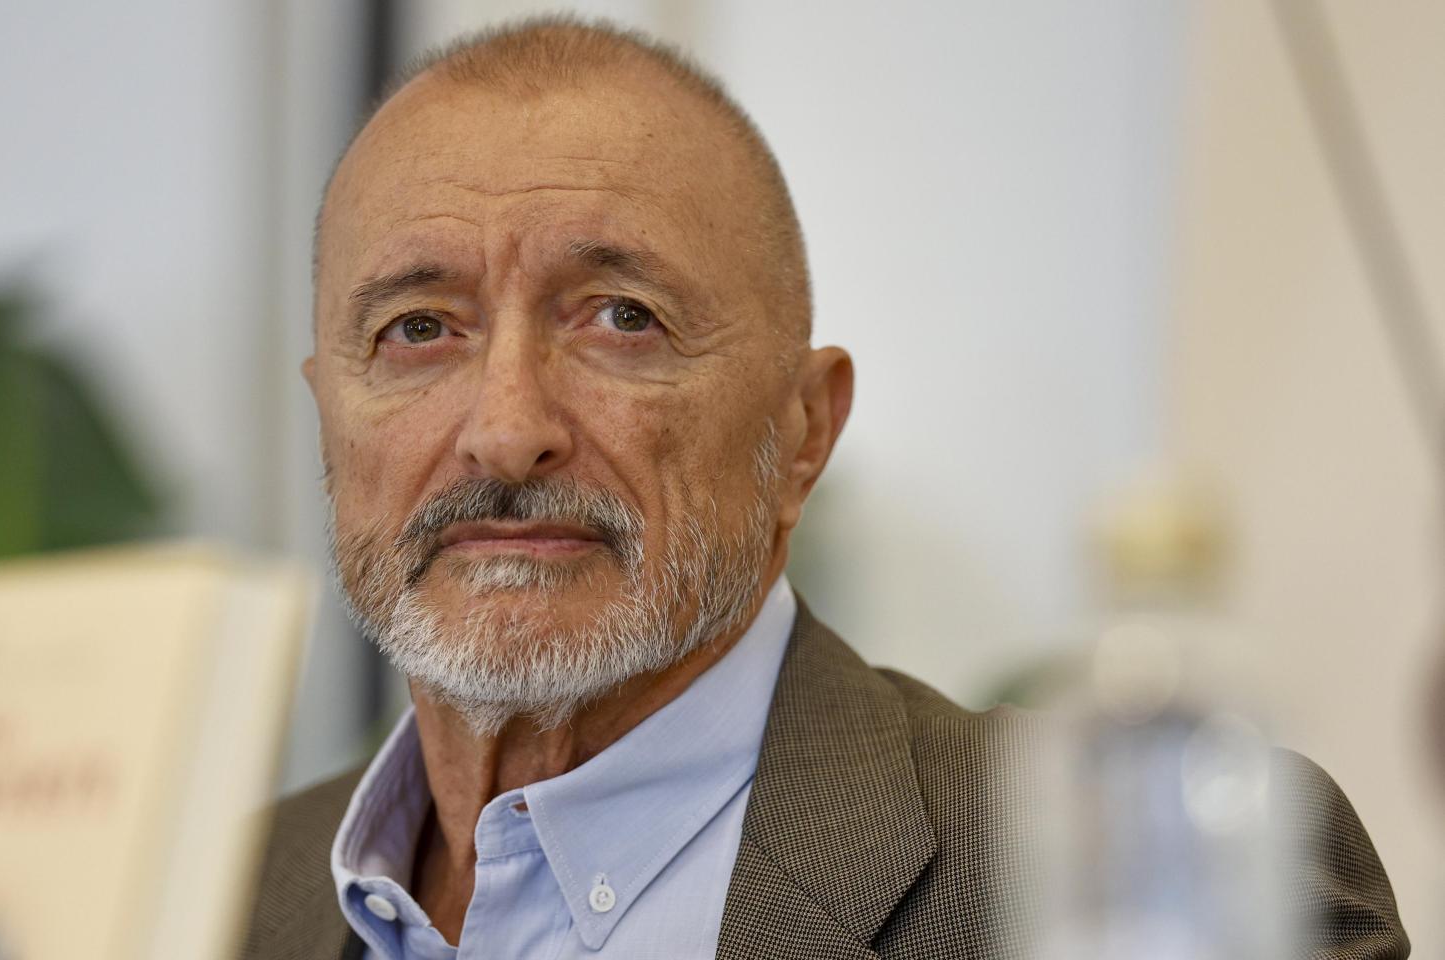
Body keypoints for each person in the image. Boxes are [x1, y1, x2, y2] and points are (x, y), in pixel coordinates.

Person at [240, 17, 1407, 960]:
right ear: (326, 418)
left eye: (619, 320)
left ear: (804, 431)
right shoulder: (200, 902)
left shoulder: (1148, 869)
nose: (503, 432)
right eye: (416, 329)